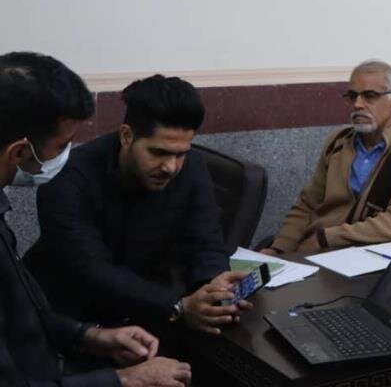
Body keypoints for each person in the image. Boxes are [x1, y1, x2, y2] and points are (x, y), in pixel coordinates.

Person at [0, 51, 191, 386]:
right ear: (19, 152)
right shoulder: (74, 182)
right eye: (63, 145)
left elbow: (25, 317)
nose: (67, 154)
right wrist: (124, 380)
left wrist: (92, 336)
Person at [25, 74, 251, 339]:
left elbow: (206, 242)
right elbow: (92, 271)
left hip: (146, 310)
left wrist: (213, 288)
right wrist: (178, 306)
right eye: (158, 152)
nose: (171, 167)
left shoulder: (193, 167)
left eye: (180, 154)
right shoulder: (68, 179)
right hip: (63, 320)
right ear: (126, 136)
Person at [264, 60, 391, 254]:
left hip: (369, 256)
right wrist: (278, 249)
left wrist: (326, 238)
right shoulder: (338, 141)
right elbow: (308, 205)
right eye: (353, 96)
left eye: (370, 96)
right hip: (318, 250)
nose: (357, 104)